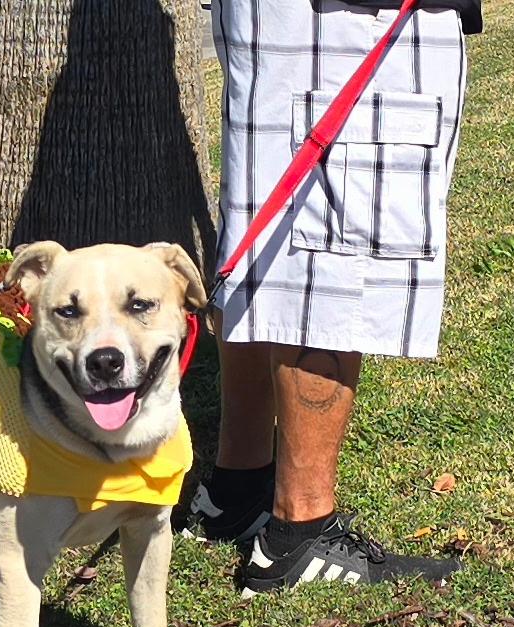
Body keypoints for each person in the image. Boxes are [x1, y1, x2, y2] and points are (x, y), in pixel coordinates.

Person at [185, 0, 483, 595]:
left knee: (273, 240)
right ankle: (300, 531)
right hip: (352, 16)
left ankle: (237, 492)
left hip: (300, 23)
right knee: (331, 264)